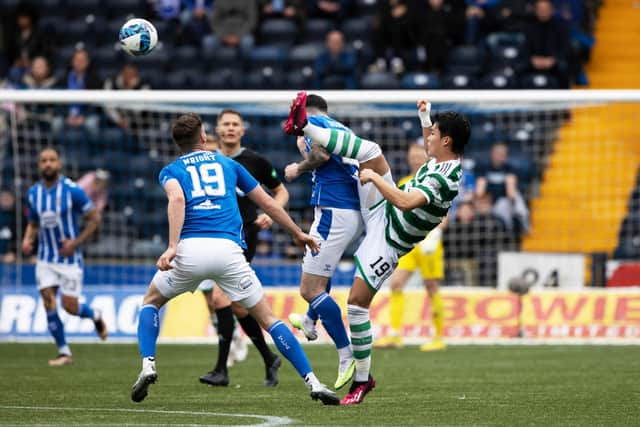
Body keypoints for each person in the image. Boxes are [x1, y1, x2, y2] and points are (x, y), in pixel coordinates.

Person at [130, 113, 339, 405]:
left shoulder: (170, 170)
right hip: (229, 252)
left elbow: (177, 200)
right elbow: (268, 201)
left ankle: (148, 364)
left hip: (190, 251)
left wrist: (172, 246)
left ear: (177, 143)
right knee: (269, 319)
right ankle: (314, 382)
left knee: (151, 302)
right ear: (204, 137)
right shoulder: (229, 164)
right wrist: (297, 233)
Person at [284, 91, 470, 404]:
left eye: (435, 134)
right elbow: (427, 150)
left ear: (447, 141)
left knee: (356, 305)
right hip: (382, 212)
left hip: (389, 239)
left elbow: (407, 202)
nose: (429, 138)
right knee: (370, 149)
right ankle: (305, 126)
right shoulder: (441, 159)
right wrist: (426, 118)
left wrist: (374, 178)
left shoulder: (449, 177)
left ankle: (362, 379)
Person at [198, 109, 289, 387]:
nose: (229, 128)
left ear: (242, 130)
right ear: (217, 129)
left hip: (244, 234)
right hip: (215, 235)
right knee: (238, 306)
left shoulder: (255, 161)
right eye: (225, 124)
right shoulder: (207, 162)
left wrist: (271, 214)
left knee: (219, 298)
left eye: (235, 124)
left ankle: (221, 370)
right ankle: (269, 358)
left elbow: (281, 191)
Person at [283, 94, 364, 390]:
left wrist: (298, 168)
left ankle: (346, 355)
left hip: (334, 209)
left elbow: (320, 157)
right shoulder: (342, 127)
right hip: (347, 210)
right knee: (321, 274)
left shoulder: (313, 123)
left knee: (310, 287)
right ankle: (309, 321)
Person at [21, 148, 107, 366]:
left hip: (69, 259)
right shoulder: (33, 193)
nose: (48, 164)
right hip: (45, 259)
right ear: (39, 165)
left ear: (59, 164)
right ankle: (64, 352)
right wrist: (27, 239)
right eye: (44, 161)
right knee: (48, 300)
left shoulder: (72, 191)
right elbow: (33, 222)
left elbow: (95, 219)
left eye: (52, 160)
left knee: (71, 307)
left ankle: (95, 315)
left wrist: (75, 244)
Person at [373, 142, 447, 351]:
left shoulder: (434, 179)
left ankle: (438, 337)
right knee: (396, 283)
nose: (415, 158)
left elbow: (444, 213)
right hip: (408, 243)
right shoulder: (405, 182)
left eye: (418, 154)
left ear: (426, 157)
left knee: (431, 287)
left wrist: (435, 234)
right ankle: (395, 335)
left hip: (429, 242)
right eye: (411, 154)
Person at [474, 142, 529, 234]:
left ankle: (516, 228)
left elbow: (511, 193)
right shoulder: (484, 167)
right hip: (487, 201)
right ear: (492, 154)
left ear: (506, 156)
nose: (499, 156)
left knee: (507, 205)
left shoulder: (510, 168)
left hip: (504, 201)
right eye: (497, 153)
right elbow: (479, 191)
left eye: (502, 154)